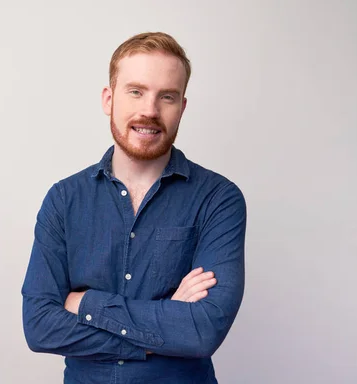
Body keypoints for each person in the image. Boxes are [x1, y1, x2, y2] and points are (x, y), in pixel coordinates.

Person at [21, 32, 247, 384]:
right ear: (109, 99)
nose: (150, 111)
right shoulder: (64, 199)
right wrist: (167, 325)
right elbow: (39, 327)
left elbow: (202, 331)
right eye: (136, 91)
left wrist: (86, 304)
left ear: (182, 107)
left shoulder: (219, 199)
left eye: (167, 97)